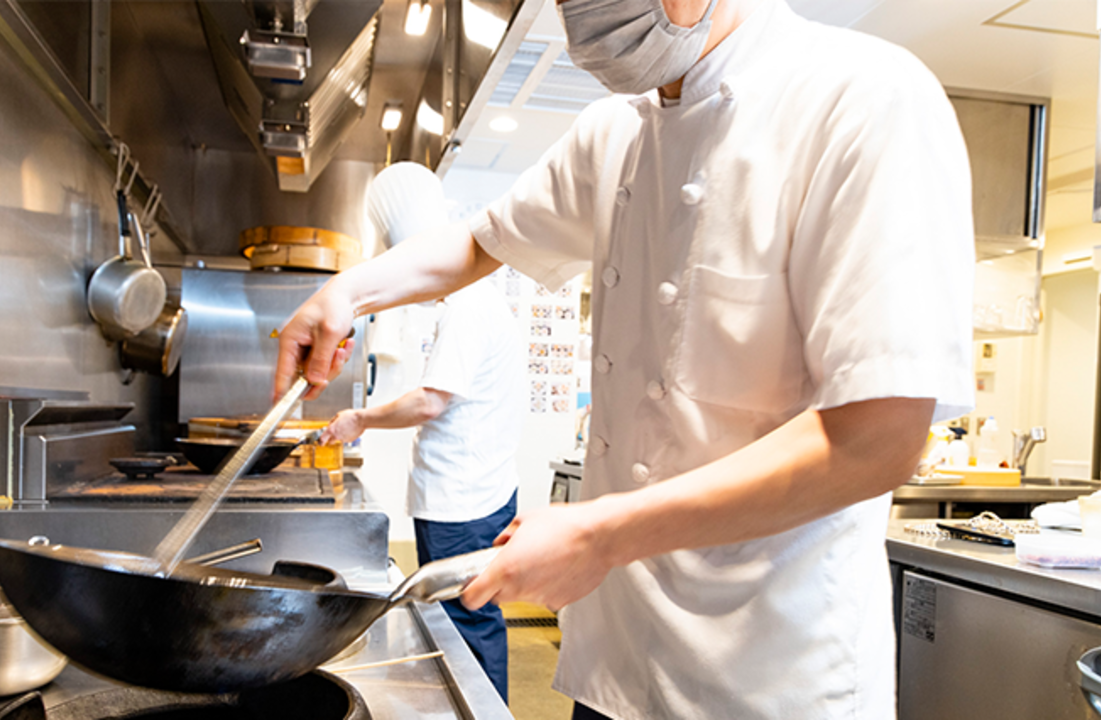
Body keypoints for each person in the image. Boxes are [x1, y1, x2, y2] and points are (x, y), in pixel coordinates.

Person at [276, 0, 974, 716]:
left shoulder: (865, 98)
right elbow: (484, 242)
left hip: (766, 676)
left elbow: (878, 439)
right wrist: (349, 292)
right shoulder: (616, 132)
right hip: (618, 665)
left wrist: (603, 534)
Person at [319, 162, 522, 702]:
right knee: (467, 621)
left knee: (468, 624)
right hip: (474, 492)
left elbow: (431, 401)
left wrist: (360, 419)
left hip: (464, 502)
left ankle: (485, 712)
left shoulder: (469, 306)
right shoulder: (473, 303)